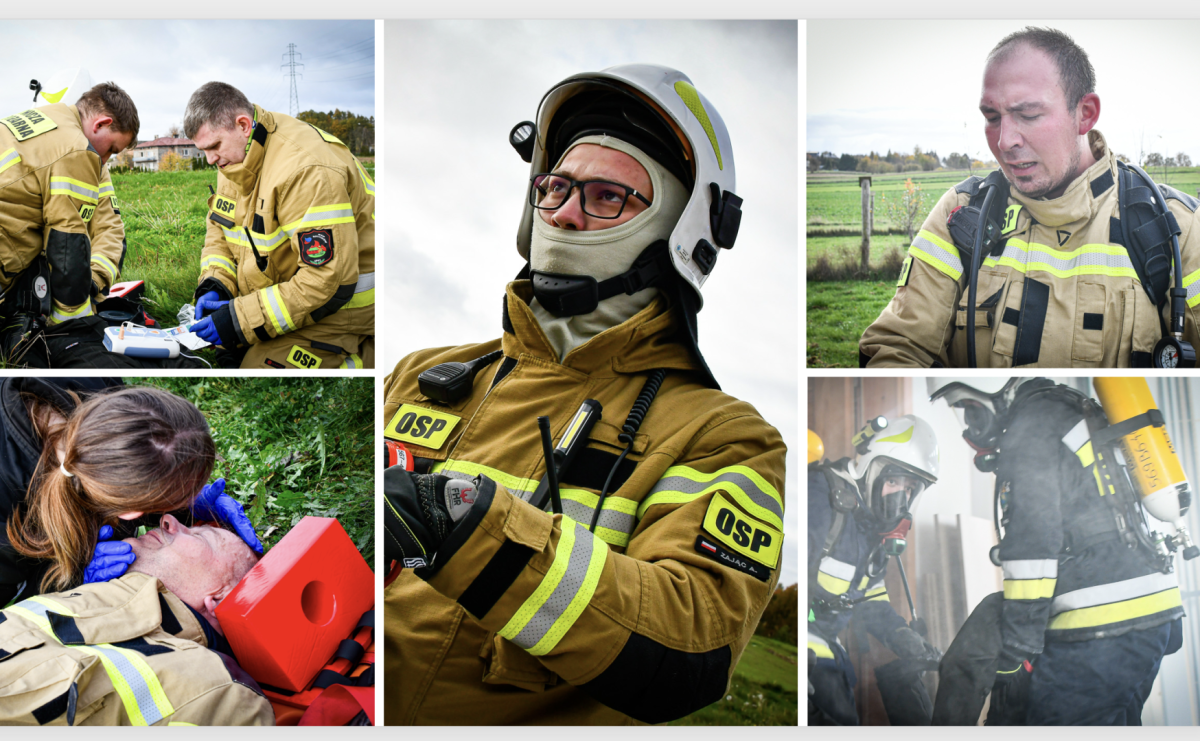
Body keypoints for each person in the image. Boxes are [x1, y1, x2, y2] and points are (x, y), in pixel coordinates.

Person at [380, 64, 784, 725]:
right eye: (556, 187)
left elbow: (690, 648)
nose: (565, 213)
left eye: (607, 197)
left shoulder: (724, 437)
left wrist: (463, 523)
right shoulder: (418, 375)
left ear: (680, 235)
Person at [859, 27, 1200, 368]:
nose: (1004, 141)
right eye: (992, 118)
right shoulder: (962, 213)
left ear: (1085, 114)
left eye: (1029, 115)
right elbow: (898, 349)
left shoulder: (1178, 229)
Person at [930, 378, 1184, 725]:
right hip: (1151, 617)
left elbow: (1032, 545)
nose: (971, 431)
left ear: (999, 390)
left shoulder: (1030, 425)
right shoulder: (1072, 409)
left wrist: (1019, 648)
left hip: (1103, 625)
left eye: (974, 412)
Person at [0, 379, 262, 607]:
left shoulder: (100, 388)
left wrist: (184, 504)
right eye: (173, 503)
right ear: (129, 511)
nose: (172, 517)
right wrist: (64, 584)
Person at [0, 514, 275, 726]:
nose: (169, 519)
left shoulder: (222, 695)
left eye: (200, 535)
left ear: (217, 601)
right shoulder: (79, 594)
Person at [183, 82, 375, 370]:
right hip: (292, 292)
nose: (210, 159)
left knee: (259, 368)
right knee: (232, 349)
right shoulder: (234, 159)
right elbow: (221, 231)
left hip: (343, 307)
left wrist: (239, 320)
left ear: (244, 125)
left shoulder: (306, 171)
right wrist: (217, 283)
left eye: (214, 146)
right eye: (203, 150)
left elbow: (327, 282)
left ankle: (365, 355)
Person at [0, 82, 190, 369]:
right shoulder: (78, 150)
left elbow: (106, 227)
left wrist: (92, 280)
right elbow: (67, 242)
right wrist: (74, 324)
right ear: (101, 123)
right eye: (112, 149)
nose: (106, 161)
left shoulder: (37, 121)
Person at [807, 415, 941, 725]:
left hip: (829, 651)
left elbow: (868, 597)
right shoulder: (822, 499)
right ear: (871, 469)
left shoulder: (872, 528)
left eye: (909, 489)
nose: (899, 497)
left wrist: (899, 634)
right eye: (893, 481)